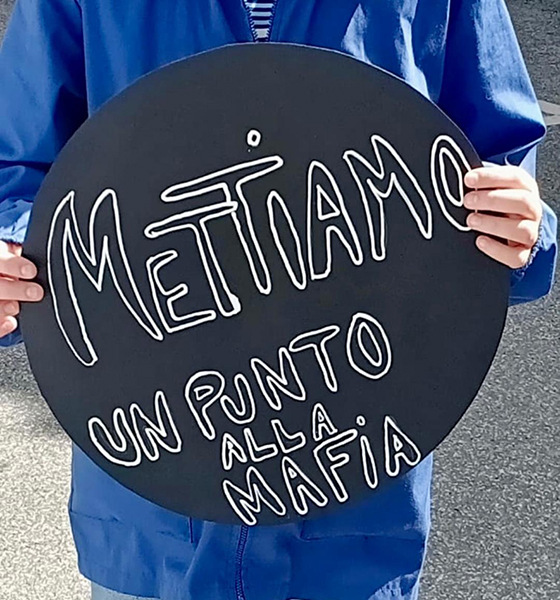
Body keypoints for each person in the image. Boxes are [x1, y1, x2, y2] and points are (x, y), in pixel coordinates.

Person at [0, 1, 557, 599]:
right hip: (153, 513)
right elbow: (17, 169)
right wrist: (16, 262)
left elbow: (500, 163)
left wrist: (523, 232)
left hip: (354, 510)